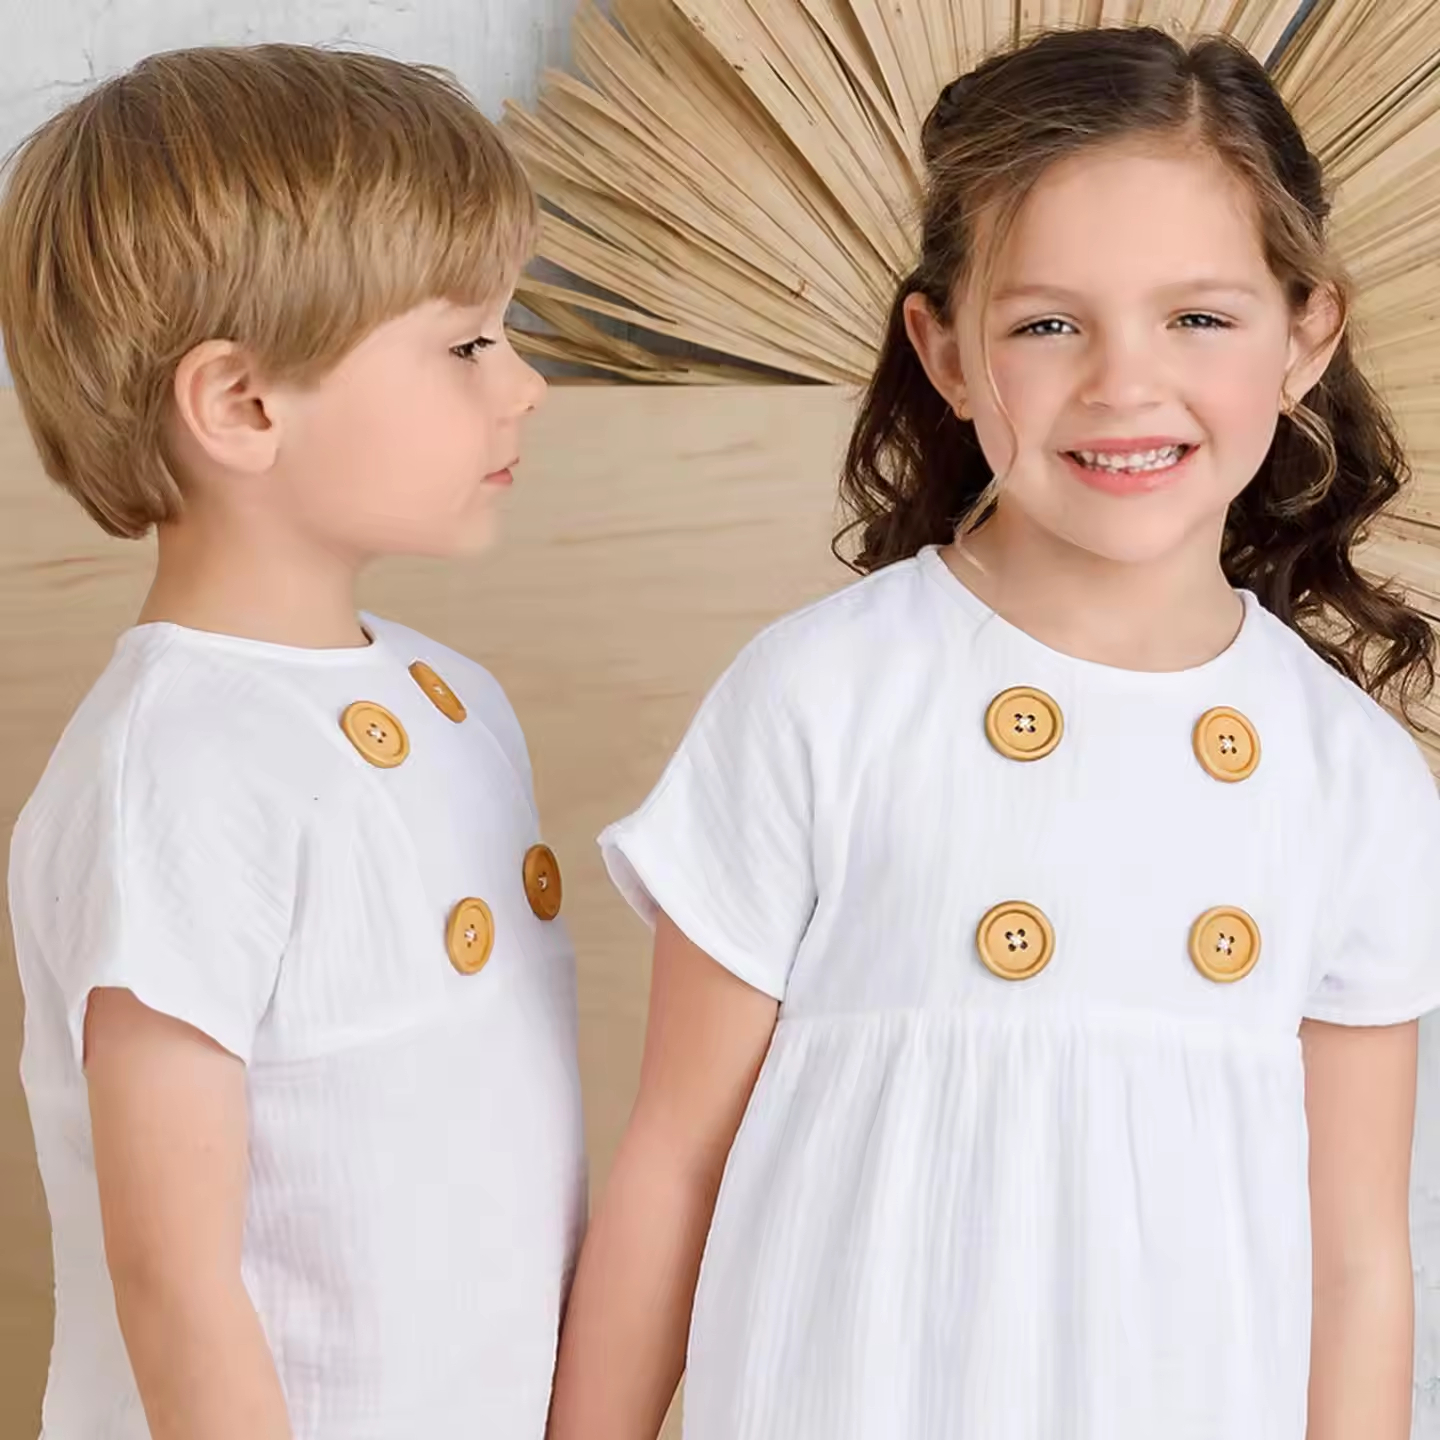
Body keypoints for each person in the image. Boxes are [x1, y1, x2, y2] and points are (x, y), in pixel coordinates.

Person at [546, 24, 1440, 1440]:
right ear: (946, 352)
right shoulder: (824, 695)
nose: (1124, 384)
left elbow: (1360, 1265)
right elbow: (675, 1166)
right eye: (1047, 325)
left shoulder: (1354, 778)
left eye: (1199, 319)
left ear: (1305, 337)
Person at [1, 45, 585, 1440]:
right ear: (243, 406)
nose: (524, 386)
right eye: (467, 344)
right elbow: (176, 1283)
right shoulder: (179, 774)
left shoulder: (459, 701)